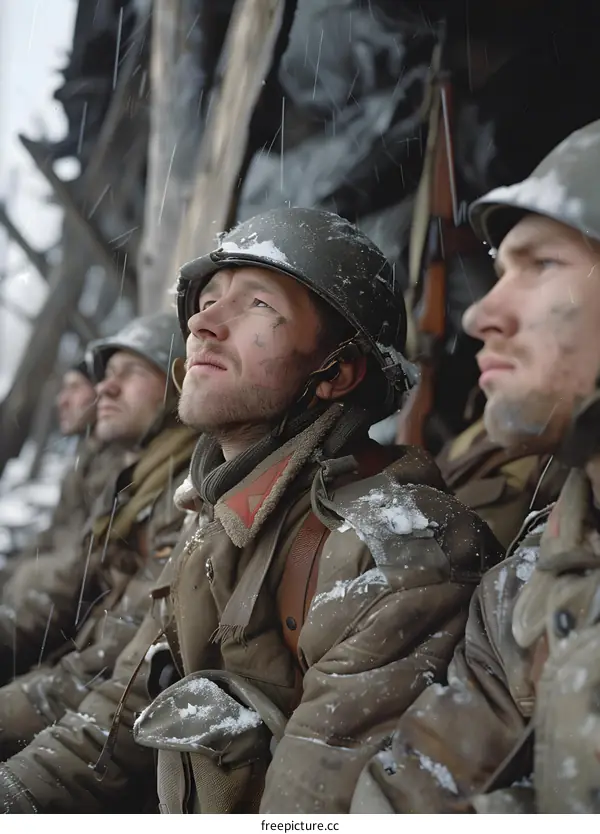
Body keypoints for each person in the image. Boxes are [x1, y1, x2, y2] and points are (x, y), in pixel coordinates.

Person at [9, 206, 499, 816]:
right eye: (208, 300)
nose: (202, 323)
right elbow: (113, 720)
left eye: (259, 305)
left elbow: (308, 815)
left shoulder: (391, 557)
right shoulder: (215, 514)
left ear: (338, 372)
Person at [351, 118, 600, 814]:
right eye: (499, 272)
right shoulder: (529, 581)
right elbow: (409, 794)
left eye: (541, 265)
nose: (480, 315)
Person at [0, 313, 196, 812]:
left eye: (130, 372)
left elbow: (113, 672)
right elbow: (62, 584)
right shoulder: (138, 478)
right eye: (106, 375)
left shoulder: (186, 492)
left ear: (179, 380)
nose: (103, 387)